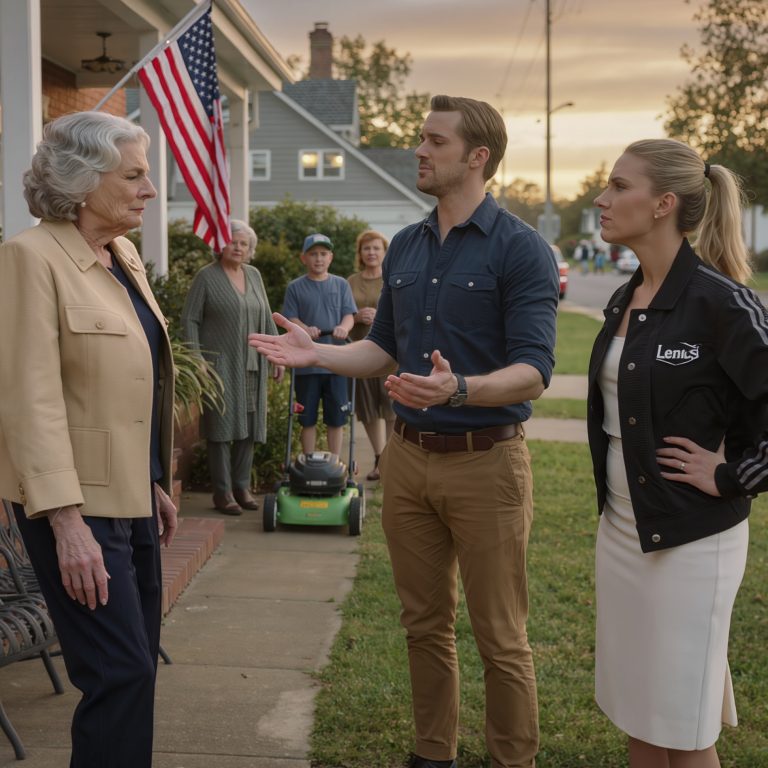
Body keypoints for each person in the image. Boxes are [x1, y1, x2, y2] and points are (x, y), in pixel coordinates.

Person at [250, 95, 559, 768]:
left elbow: (535, 371)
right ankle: (432, 755)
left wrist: (461, 388)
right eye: (421, 138)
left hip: (487, 465)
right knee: (424, 626)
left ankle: (513, 760)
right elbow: (384, 350)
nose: (419, 150)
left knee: (500, 637)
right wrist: (318, 354)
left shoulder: (522, 250)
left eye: (434, 141)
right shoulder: (409, 248)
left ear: (478, 157)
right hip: (410, 465)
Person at [0, 111, 178, 768]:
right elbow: (29, 399)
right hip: (74, 505)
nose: (148, 190)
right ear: (80, 181)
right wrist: (65, 521)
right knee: (119, 673)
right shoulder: (28, 258)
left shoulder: (121, 254)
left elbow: (133, 380)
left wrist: (153, 477)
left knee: (139, 670)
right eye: (133, 175)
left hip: (131, 495)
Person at [587, 138, 768, 768]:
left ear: (663, 204)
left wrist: (731, 476)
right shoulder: (624, 296)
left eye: (617, 186)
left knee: (685, 731)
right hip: (621, 530)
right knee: (640, 713)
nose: (601, 199)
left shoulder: (722, 304)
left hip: (691, 541)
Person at [182, 219, 284, 515]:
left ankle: (242, 487)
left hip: (253, 364)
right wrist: (196, 359)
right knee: (221, 431)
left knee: (249, 430)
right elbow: (190, 319)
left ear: (249, 249)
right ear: (220, 245)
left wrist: (276, 356)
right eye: (233, 241)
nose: (238, 247)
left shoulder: (254, 275)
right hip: (219, 366)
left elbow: (266, 318)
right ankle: (222, 492)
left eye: (243, 243)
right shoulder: (206, 277)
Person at [281, 233, 357, 458]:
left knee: (336, 417)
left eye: (323, 254)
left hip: (337, 363)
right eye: (313, 254)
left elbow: (349, 315)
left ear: (331, 257)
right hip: (307, 365)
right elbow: (291, 318)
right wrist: (305, 328)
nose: (318, 258)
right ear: (303, 258)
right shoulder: (295, 287)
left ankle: (335, 461)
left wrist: (344, 327)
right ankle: (309, 460)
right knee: (307, 417)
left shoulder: (341, 284)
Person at [347, 230, 396, 481]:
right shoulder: (350, 282)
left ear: (385, 252)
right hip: (360, 350)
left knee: (391, 406)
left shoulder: (392, 279)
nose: (372, 253)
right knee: (367, 408)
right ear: (360, 253)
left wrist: (382, 316)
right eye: (367, 249)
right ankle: (378, 459)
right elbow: (342, 315)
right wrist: (356, 317)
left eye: (377, 248)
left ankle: (391, 459)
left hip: (389, 352)